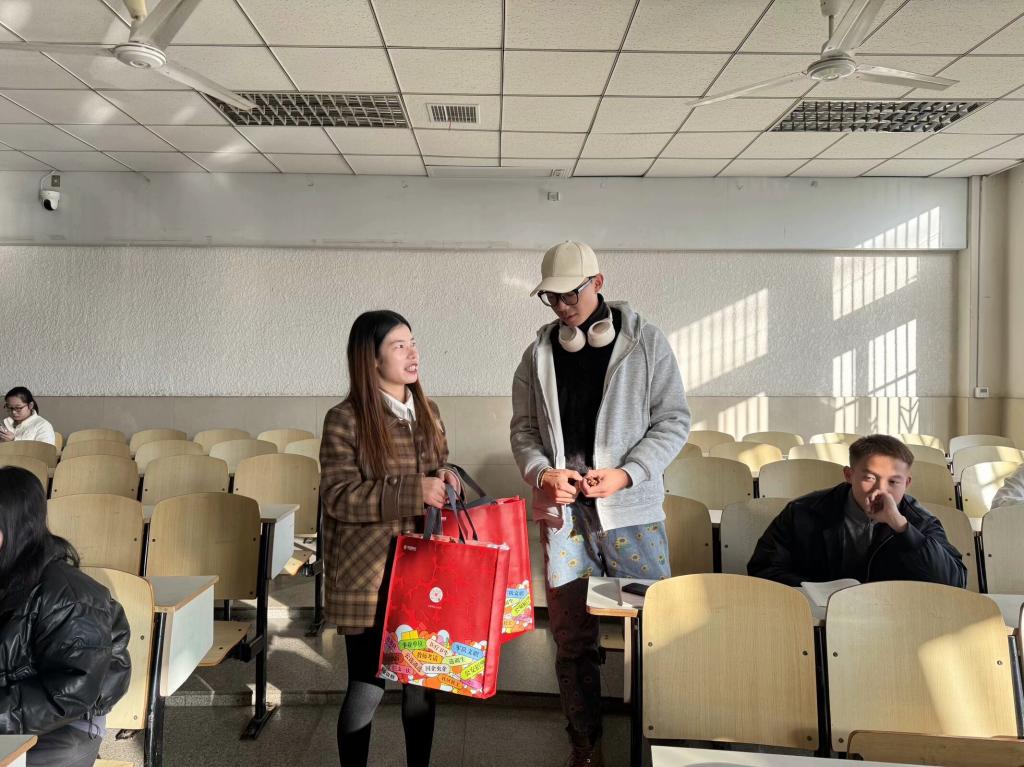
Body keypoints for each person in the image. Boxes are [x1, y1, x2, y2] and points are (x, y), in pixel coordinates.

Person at [510, 241, 690, 767]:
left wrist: (628, 473)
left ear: (599, 283)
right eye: (552, 298)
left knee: (657, 631)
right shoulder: (537, 355)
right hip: (565, 517)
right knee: (570, 638)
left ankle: (663, 744)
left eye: (571, 294)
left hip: (633, 515)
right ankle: (584, 743)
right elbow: (523, 431)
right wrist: (542, 473)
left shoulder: (646, 343)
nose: (562, 306)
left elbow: (674, 420)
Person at [320, 310, 459, 767]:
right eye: (399, 346)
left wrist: (446, 478)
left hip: (422, 570)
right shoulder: (345, 419)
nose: (412, 353)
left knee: (421, 685)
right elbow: (339, 497)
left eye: (413, 342)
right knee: (367, 686)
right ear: (372, 359)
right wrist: (414, 491)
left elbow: (440, 465)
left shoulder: (428, 411)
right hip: (369, 575)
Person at [0, 466, 131, 767]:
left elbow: (70, 694)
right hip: (14, 708)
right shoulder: (7, 574)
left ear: (17, 526)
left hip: (67, 724)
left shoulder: (71, 596)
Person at [748, 434, 967, 587]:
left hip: (895, 619)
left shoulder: (919, 521)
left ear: (907, 483)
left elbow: (954, 581)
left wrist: (902, 527)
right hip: (819, 620)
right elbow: (763, 569)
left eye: (893, 482)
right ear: (849, 475)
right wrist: (814, 589)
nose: (880, 490)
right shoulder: (802, 512)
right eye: (869, 478)